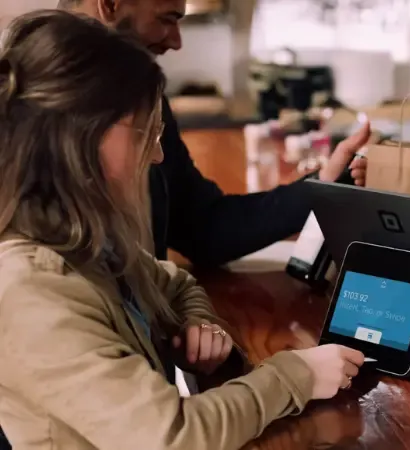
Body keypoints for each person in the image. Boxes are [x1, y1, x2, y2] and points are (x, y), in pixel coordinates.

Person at [0, 10, 364, 449]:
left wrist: (198, 324)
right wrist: (296, 375)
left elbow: (173, 280)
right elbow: (173, 436)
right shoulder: (30, 288)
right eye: (143, 133)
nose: (156, 157)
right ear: (81, 135)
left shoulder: (84, 246)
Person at [57, 0, 370, 266]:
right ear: (110, 3)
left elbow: (204, 228)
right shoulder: (19, 117)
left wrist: (324, 185)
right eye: (167, 19)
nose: (177, 42)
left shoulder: (145, 99)